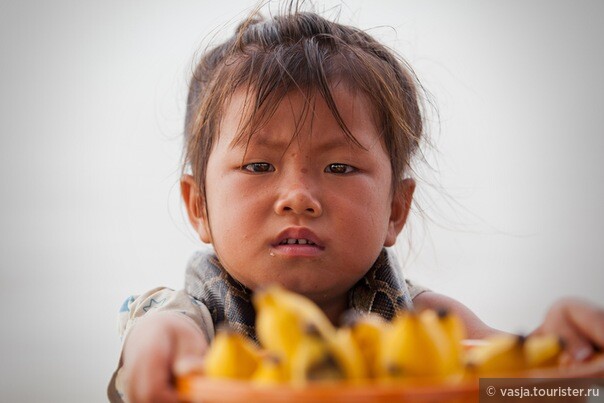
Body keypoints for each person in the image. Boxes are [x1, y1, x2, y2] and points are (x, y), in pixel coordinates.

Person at [108, 5, 604, 403]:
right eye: (259, 166)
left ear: (395, 209)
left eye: (340, 168)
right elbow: (155, 342)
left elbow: (524, 385)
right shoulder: (188, 318)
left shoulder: (426, 324)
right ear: (199, 206)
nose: (298, 198)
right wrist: (152, 349)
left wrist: (563, 357)